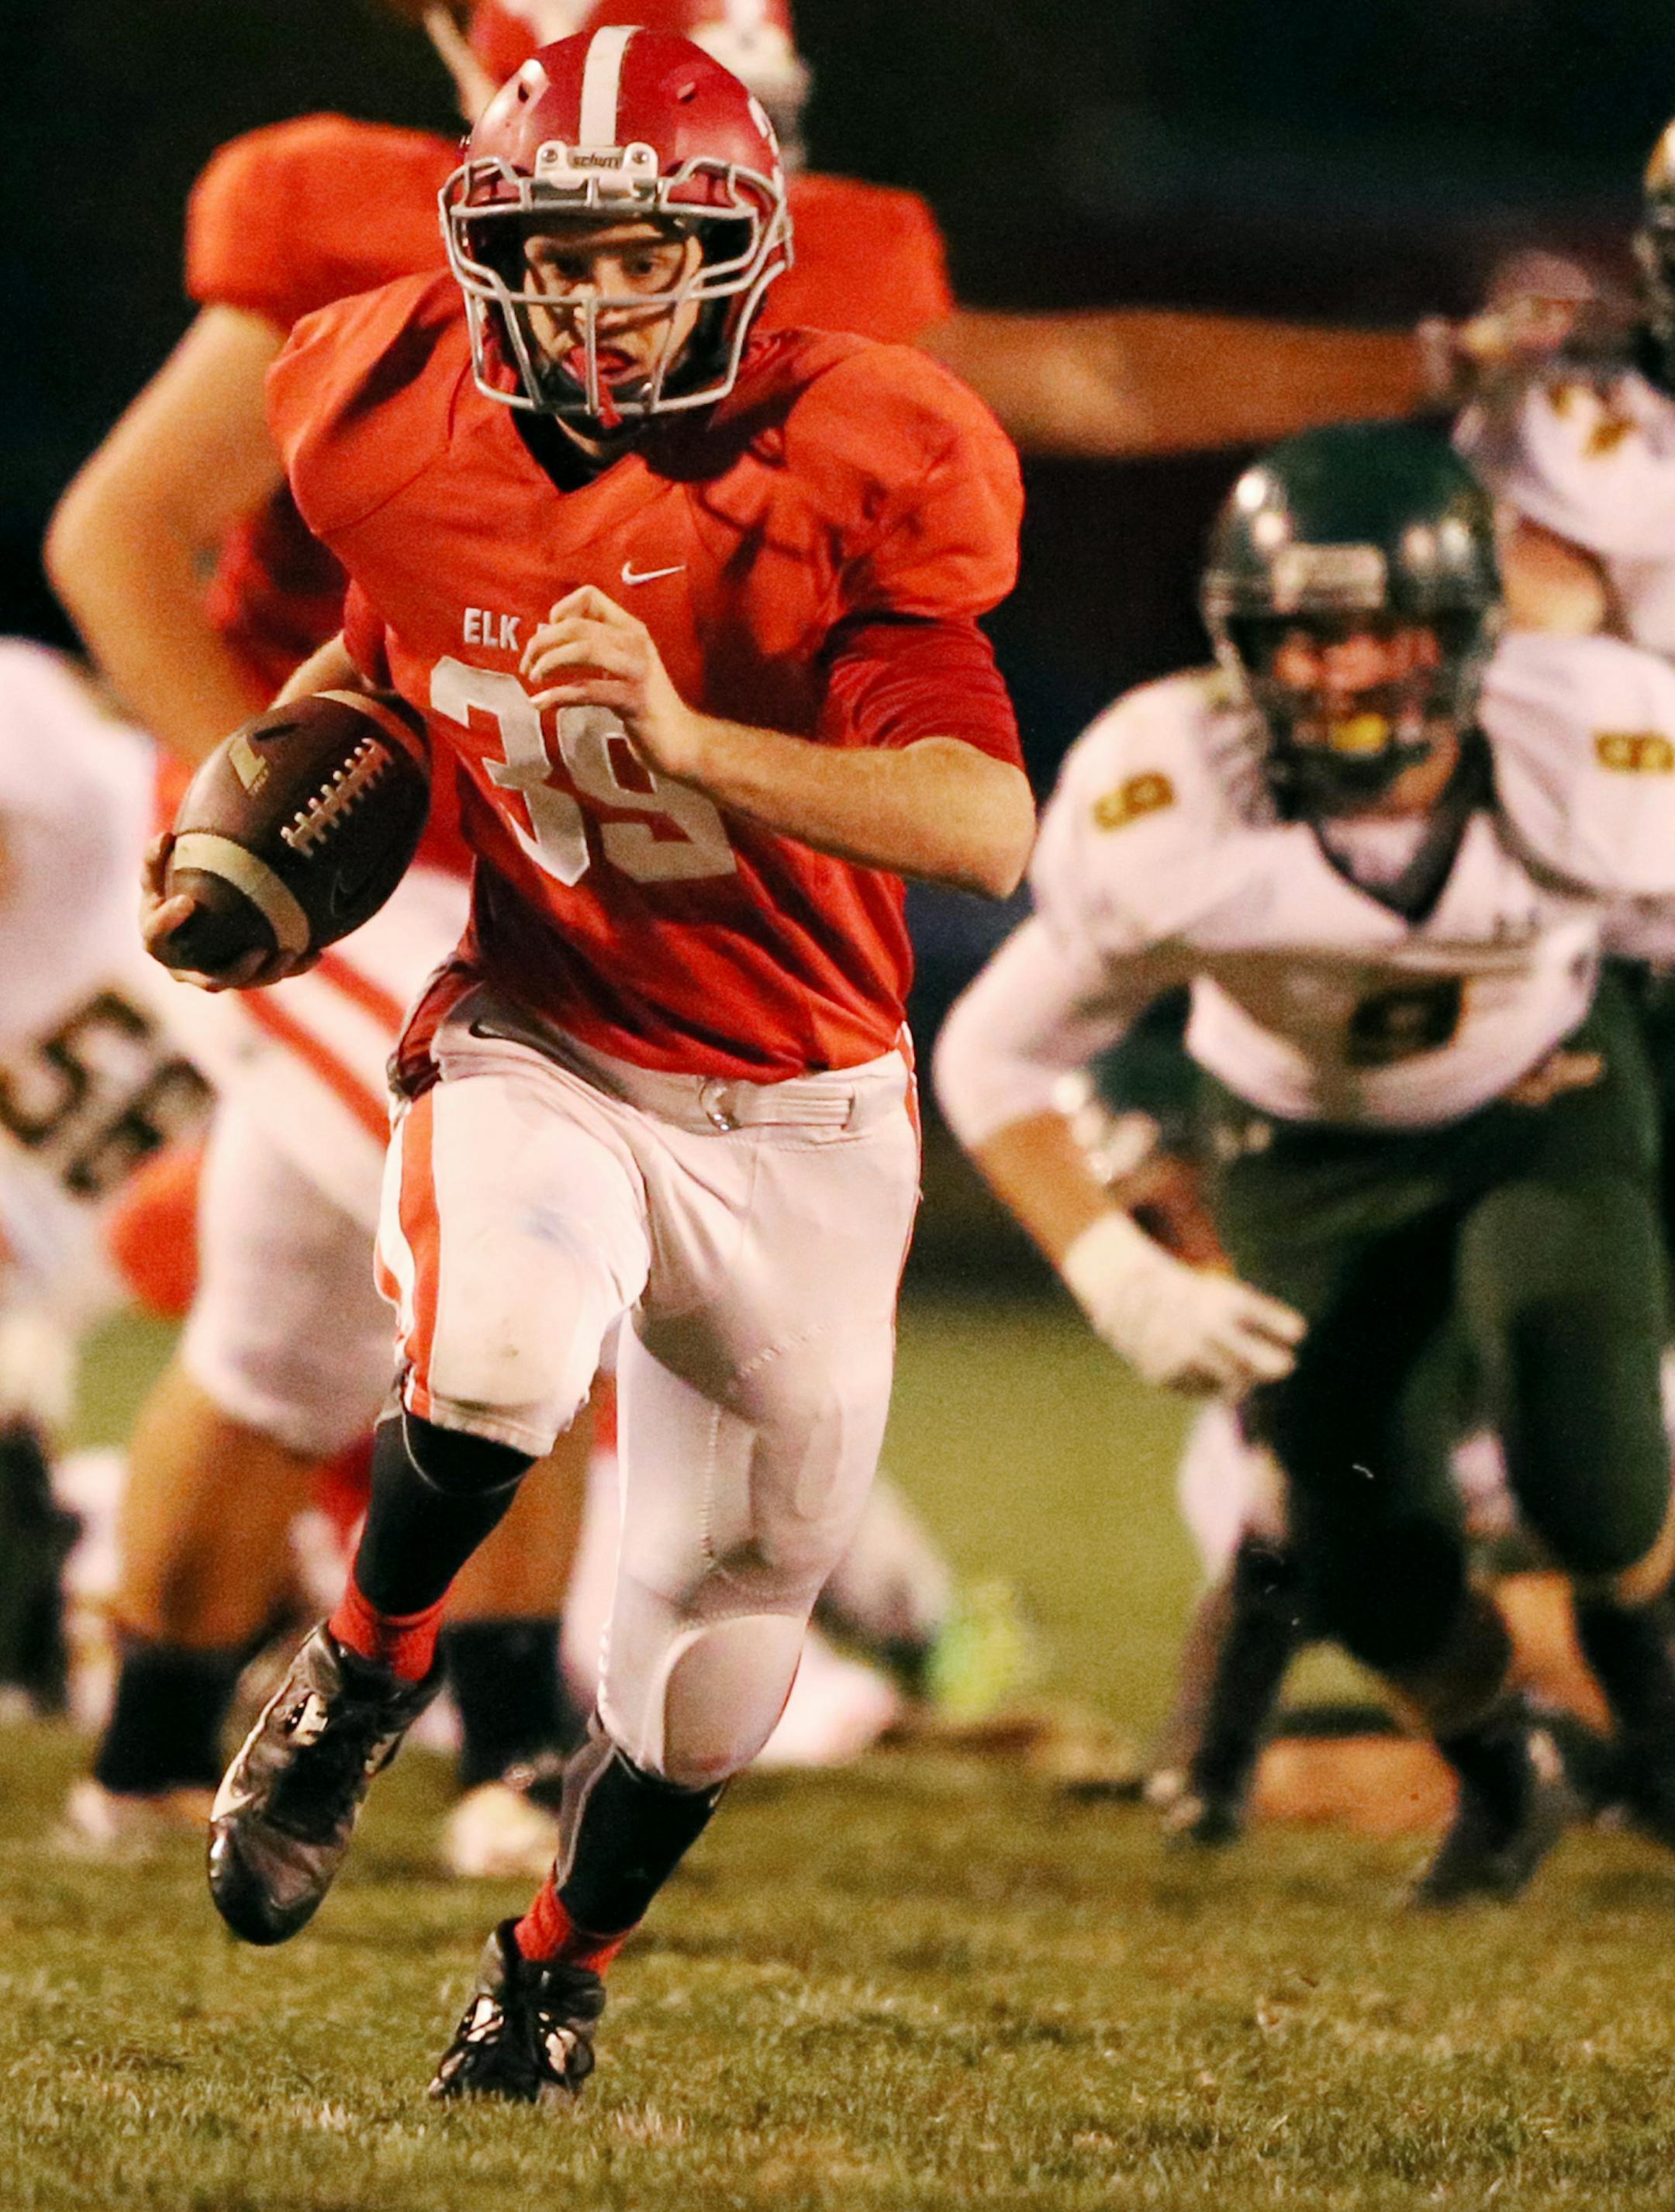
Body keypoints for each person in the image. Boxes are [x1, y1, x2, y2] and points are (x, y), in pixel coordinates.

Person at [151, 28, 1031, 2103]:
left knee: (721, 1658)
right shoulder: (378, 401)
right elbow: (385, 638)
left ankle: (548, 1965)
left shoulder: (862, 445)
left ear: (737, 257)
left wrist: (698, 738)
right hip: (553, 1030)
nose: (595, 300)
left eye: (643, 256)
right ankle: (360, 1678)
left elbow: (984, 819)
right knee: (496, 1353)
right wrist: (253, 825)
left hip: (812, 1098)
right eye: (552, 255)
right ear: (490, 256)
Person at [935, 419, 1675, 1906]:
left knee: (1582, 1422)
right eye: (1301, 637)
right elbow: (990, 1057)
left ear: (1465, 636)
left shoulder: (1594, 743)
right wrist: (1111, 1263)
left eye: (1382, 632)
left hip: (1542, 1104)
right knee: (1361, 1544)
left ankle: (1658, 1727)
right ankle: (1500, 1781)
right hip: (1302, 1156)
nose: (1339, 677)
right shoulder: (1172, 790)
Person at [44, 16, 587, 1869]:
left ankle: (139, 1761)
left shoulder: (787, 262)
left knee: (282, 1322)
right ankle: (517, 1743)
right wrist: (256, 822)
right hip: (371, 859)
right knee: (540, 1217)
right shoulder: (352, 224)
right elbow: (119, 531)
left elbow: (1079, 370)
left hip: (534, 861)